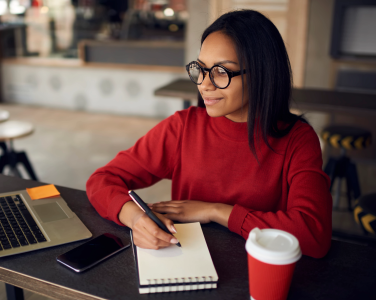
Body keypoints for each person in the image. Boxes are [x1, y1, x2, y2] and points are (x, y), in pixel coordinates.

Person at [86, 10, 332, 258]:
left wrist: (215, 211)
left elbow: (313, 233)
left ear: (262, 73)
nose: (204, 83)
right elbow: (102, 179)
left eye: (222, 71)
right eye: (201, 69)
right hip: (187, 267)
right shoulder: (183, 127)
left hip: (256, 273)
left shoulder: (298, 140)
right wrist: (136, 217)